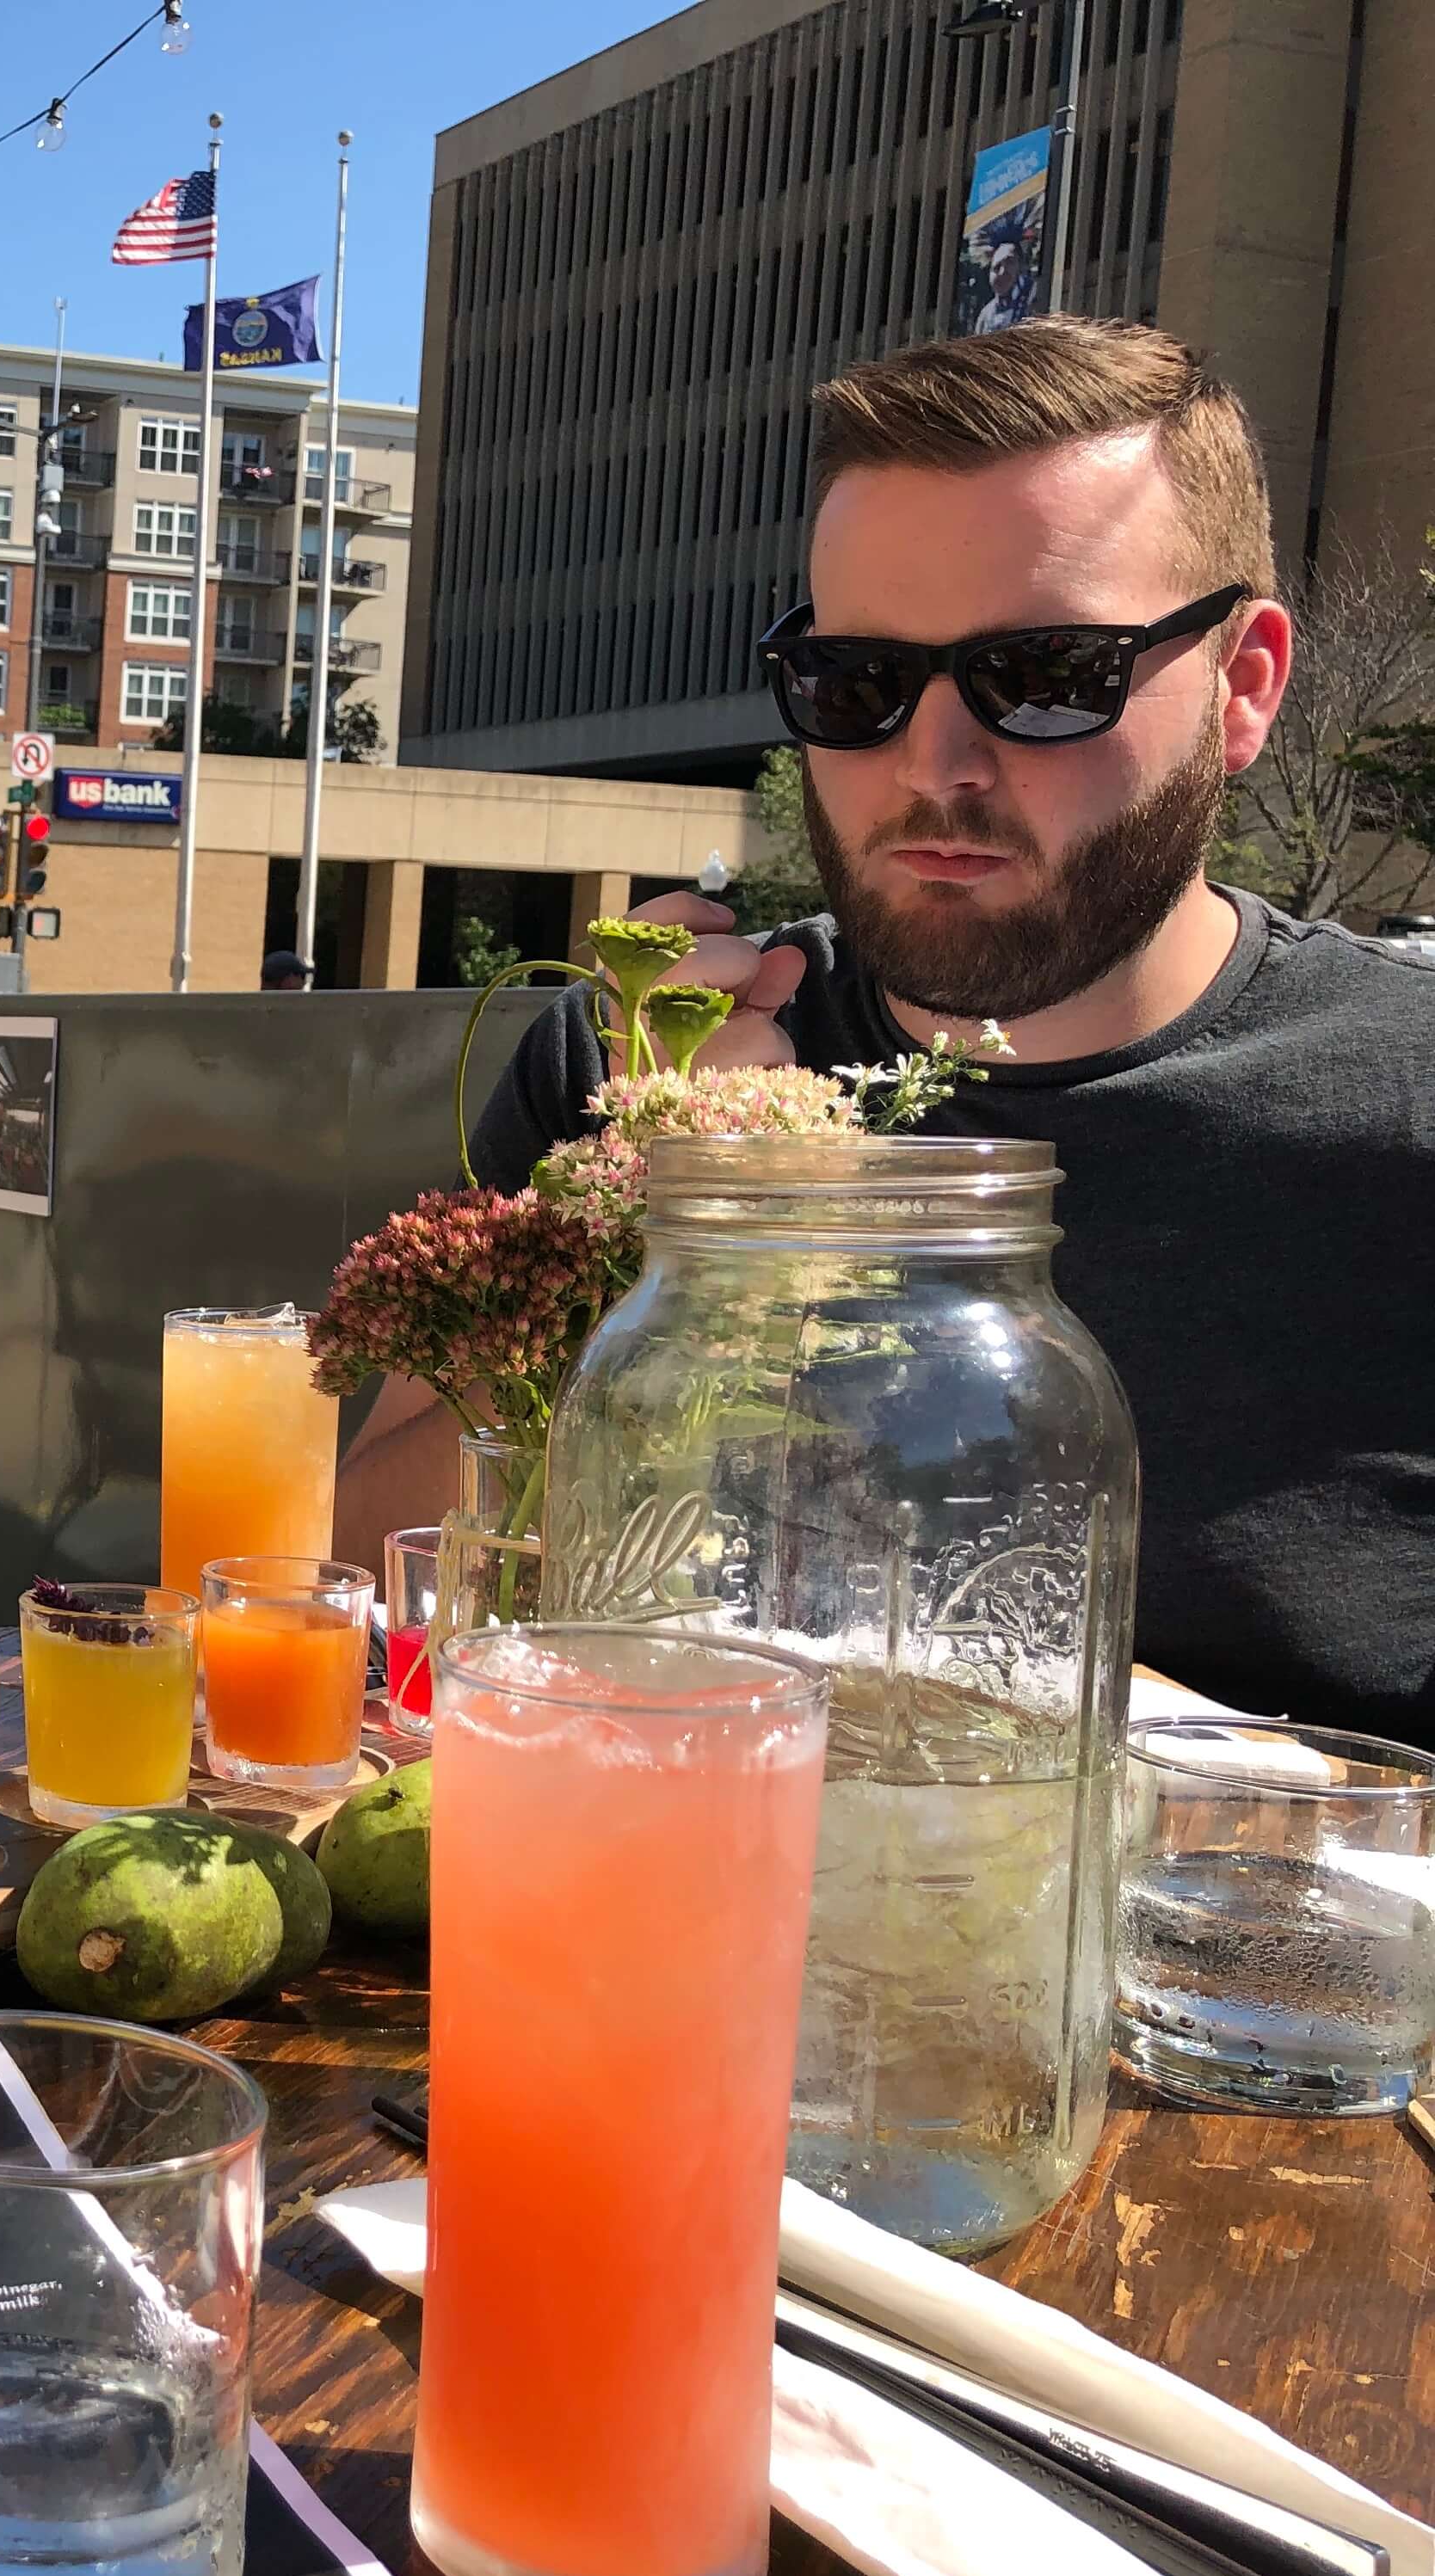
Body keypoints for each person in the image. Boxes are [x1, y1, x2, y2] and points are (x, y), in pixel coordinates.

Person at [402, 317, 1435, 1736]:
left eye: (1049, 676)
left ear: (1244, 684)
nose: (932, 767)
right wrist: (665, 1230)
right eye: (857, 685)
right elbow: (359, 1597)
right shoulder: (647, 1062)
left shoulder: (1403, 1108)